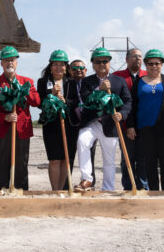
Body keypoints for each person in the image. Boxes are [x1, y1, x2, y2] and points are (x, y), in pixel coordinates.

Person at [68, 47, 131, 191]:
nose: (102, 64)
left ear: (109, 62)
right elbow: (85, 100)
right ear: (93, 64)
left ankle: (108, 188)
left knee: (109, 160)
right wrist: (99, 89)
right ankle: (87, 179)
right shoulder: (86, 81)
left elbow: (128, 102)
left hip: (110, 124)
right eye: (98, 61)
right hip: (91, 123)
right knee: (82, 141)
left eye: (105, 61)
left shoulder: (120, 81)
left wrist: (121, 115)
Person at [126, 49, 164, 191]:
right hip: (145, 128)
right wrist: (130, 126)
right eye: (150, 64)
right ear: (145, 65)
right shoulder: (138, 83)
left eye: (157, 63)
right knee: (149, 162)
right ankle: (153, 192)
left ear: (162, 64)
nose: (154, 66)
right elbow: (132, 106)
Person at [0, 46, 40, 191]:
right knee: (0, 166)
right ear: (1, 63)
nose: (10, 63)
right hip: (1, 130)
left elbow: (36, 101)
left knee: (21, 166)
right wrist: (5, 117)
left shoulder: (27, 81)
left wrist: (24, 90)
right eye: (6, 60)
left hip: (22, 130)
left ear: (16, 62)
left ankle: (21, 193)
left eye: (12, 60)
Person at [37, 50, 76, 191]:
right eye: (55, 64)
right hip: (51, 124)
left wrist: (66, 102)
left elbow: (76, 102)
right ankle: (55, 190)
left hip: (69, 125)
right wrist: (52, 96)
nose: (59, 67)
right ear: (50, 66)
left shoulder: (72, 82)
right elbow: (39, 102)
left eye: (62, 64)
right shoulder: (43, 82)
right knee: (54, 159)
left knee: (66, 159)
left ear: (66, 67)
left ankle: (62, 189)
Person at [112, 48, 146, 191]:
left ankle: (143, 187)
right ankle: (128, 186)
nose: (137, 59)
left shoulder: (148, 75)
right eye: (134, 56)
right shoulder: (117, 77)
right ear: (126, 59)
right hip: (125, 125)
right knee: (128, 158)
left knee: (143, 157)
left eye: (139, 56)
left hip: (144, 125)